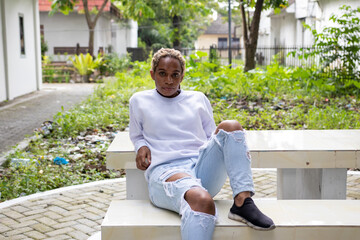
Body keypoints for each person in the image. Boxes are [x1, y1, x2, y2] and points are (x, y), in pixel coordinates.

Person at [129, 48, 275, 240]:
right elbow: (137, 135)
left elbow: (212, 139)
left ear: (182, 76)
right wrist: (141, 146)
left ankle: (242, 201)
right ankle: (201, 198)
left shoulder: (197, 99)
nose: (169, 81)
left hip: (200, 168)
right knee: (203, 201)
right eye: (162, 74)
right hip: (166, 172)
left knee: (231, 126)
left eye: (175, 75)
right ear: (152, 74)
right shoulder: (139, 100)